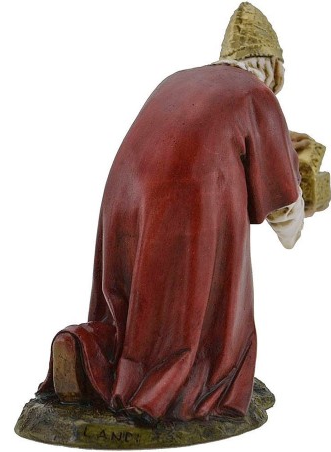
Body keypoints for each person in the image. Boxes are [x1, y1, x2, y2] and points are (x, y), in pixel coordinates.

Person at [37, 2, 304, 422]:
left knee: (133, 310)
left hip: (125, 195)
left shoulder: (178, 78)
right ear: (271, 67)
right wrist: (298, 218)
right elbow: (283, 204)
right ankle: (163, 395)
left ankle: (88, 348)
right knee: (192, 319)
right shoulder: (256, 94)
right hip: (188, 202)